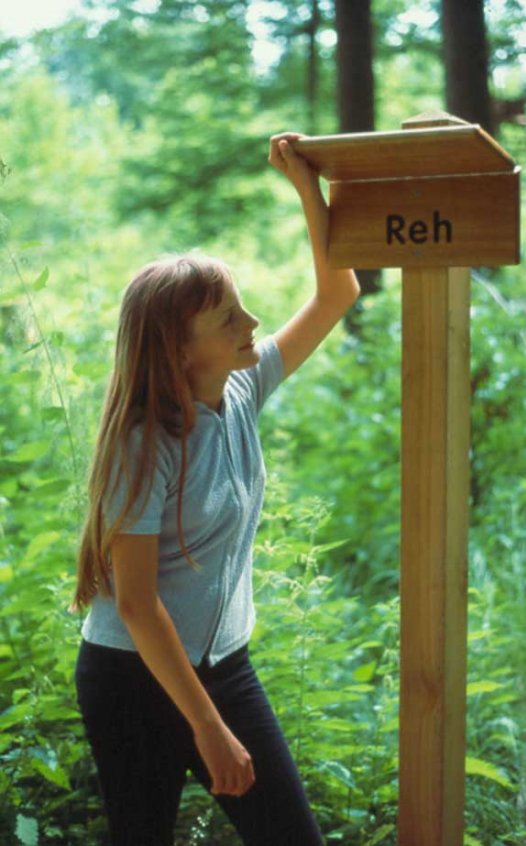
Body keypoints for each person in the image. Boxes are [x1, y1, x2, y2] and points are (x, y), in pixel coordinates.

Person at [70, 132, 360, 846]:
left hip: (226, 666)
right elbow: (136, 604)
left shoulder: (241, 387)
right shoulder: (143, 444)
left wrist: (308, 188)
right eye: (229, 318)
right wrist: (206, 727)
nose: (253, 324)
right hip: (133, 677)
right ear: (179, 348)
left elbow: (338, 293)